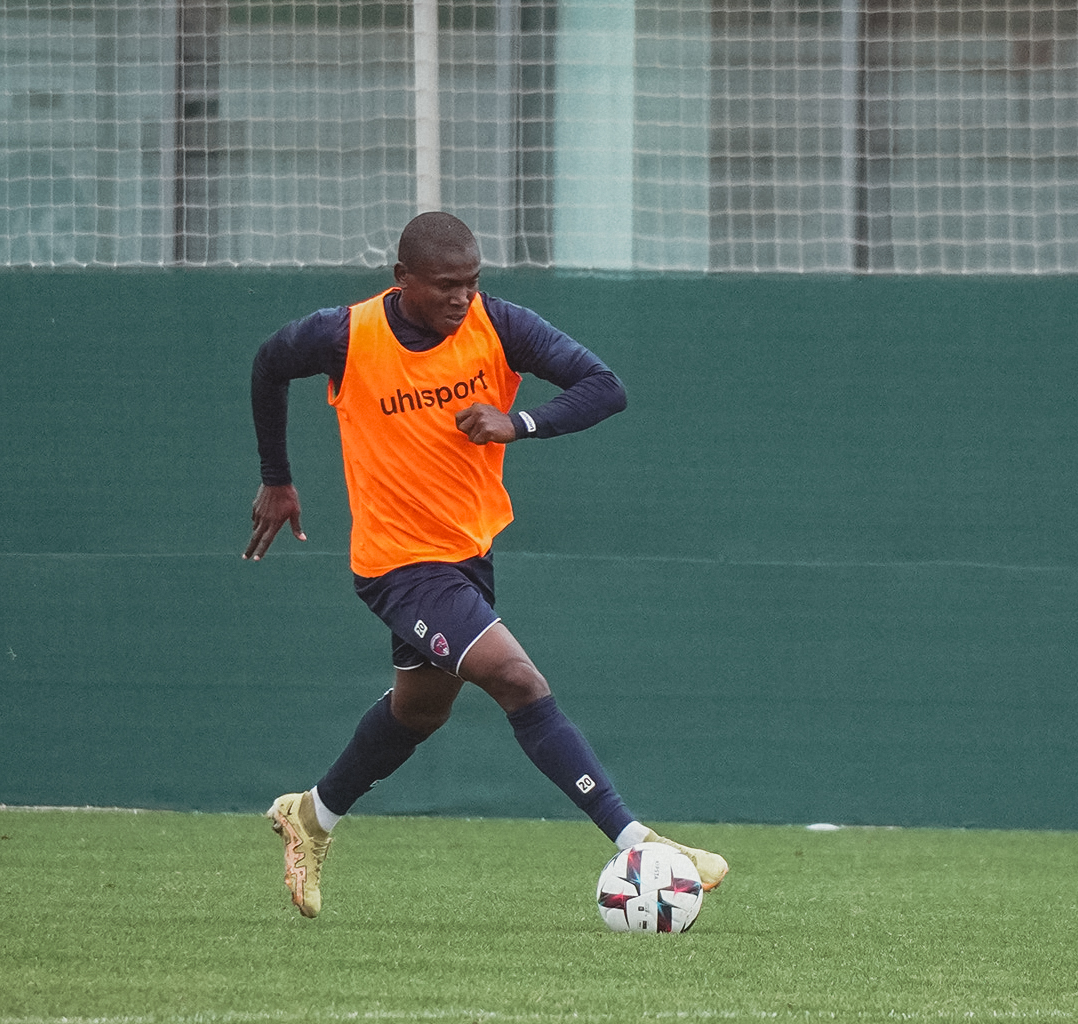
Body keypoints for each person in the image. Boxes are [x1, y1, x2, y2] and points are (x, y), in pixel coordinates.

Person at [243, 211, 728, 918]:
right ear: (402, 279)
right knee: (517, 680)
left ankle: (311, 816)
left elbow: (604, 385)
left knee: (419, 712)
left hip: (467, 555)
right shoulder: (345, 334)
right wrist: (276, 477)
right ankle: (637, 843)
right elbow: (268, 363)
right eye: (445, 286)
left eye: (472, 283)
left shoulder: (498, 325)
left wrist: (521, 421)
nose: (462, 298)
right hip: (399, 566)